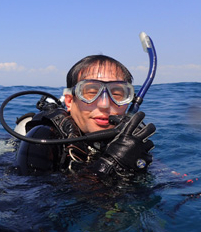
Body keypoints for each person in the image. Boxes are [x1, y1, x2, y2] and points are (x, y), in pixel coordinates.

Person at [16, 55, 156, 180]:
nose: (104, 104)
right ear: (70, 101)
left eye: (117, 94)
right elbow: (31, 203)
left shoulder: (129, 142)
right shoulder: (42, 138)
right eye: (91, 92)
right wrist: (108, 167)